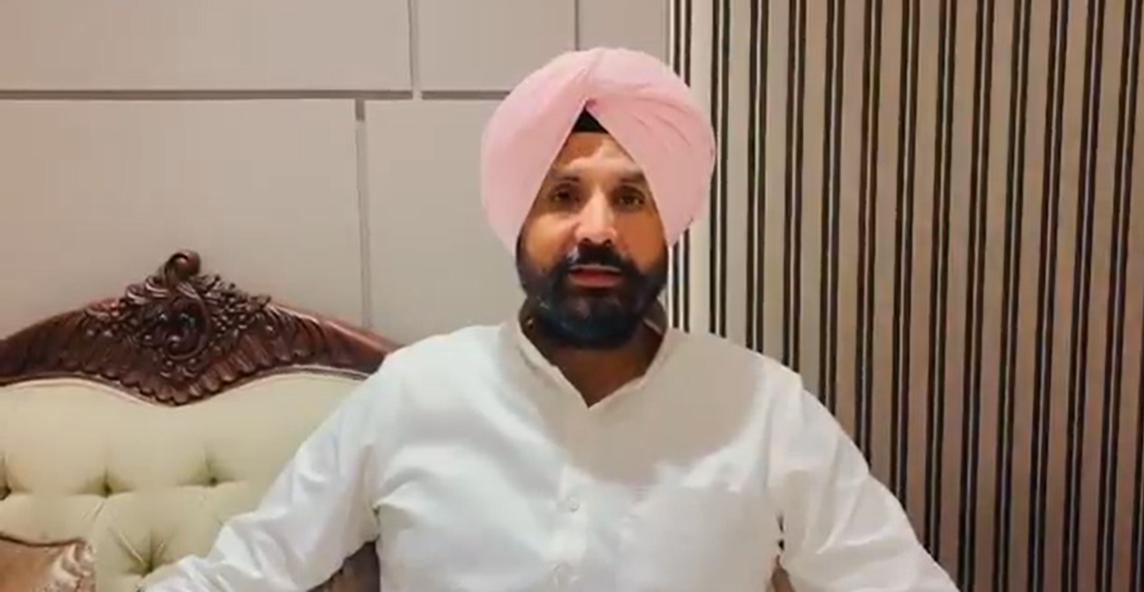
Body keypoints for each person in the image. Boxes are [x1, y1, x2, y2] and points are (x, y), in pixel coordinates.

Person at [146, 47, 958, 592]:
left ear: (669, 223)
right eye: (564, 194)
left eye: (630, 196)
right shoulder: (415, 394)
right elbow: (249, 570)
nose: (597, 228)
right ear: (519, 221)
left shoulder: (763, 408)